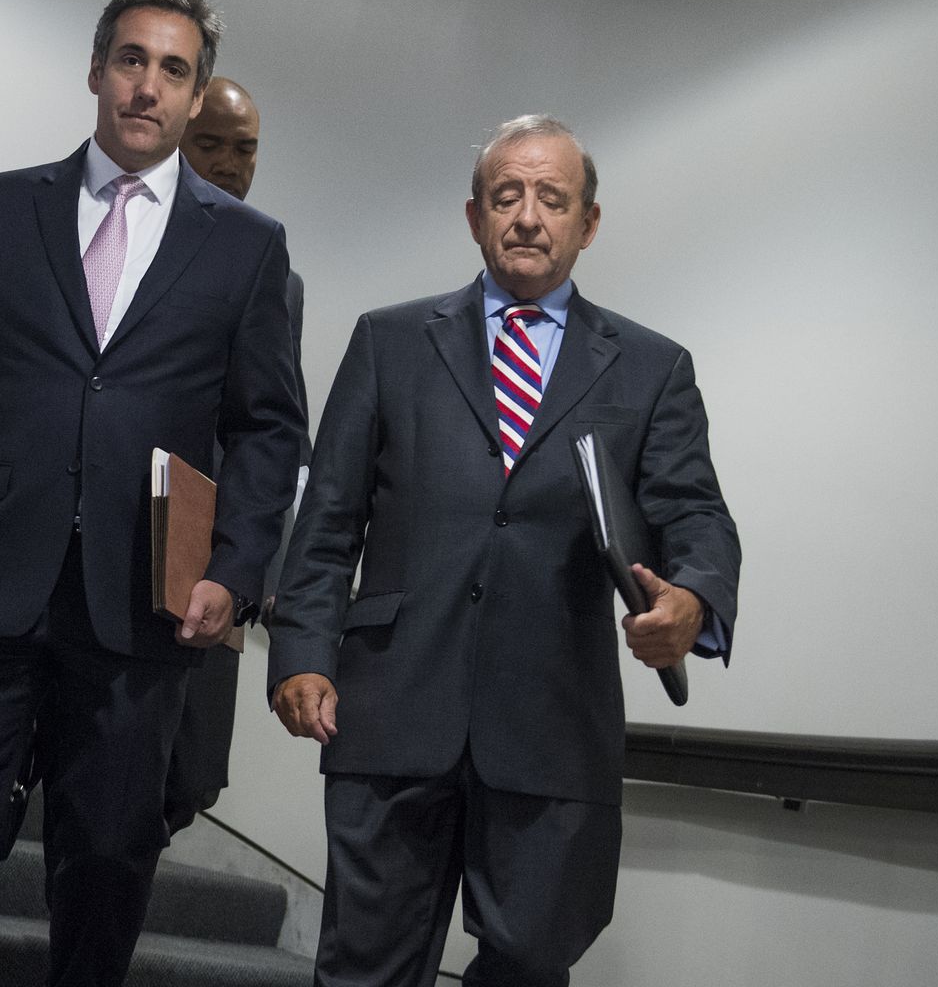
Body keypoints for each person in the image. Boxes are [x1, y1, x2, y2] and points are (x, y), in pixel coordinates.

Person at [0, 0, 305, 987]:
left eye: (172, 68)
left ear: (196, 95)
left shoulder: (248, 249)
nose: (146, 86)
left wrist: (236, 571)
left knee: (106, 864)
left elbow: (269, 428)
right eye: (130, 59)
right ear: (95, 70)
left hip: (139, 609)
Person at [268, 115, 740, 987]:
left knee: (528, 966)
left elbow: (697, 516)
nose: (527, 216)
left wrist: (694, 603)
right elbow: (328, 518)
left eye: (552, 199)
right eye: (507, 196)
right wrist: (300, 652)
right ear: (475, 215)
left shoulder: (650, 368)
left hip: (554, 731)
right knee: (363, 969)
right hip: (392, 712)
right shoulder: (391, 340)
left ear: (588, 223)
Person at [162, 75, 310, 835]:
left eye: (243, 149)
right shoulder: (129, 238)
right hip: (118, 528)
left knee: (185, 777)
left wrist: (271, 578)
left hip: (209, 554)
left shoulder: (277, 276)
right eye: (210, 144)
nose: (227, 162)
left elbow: (280, 430)